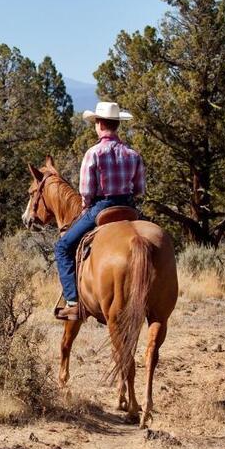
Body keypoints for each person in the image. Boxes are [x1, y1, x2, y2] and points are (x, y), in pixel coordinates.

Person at [55, 101, 146, 321]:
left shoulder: (93, 153)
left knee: (63, 247)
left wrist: (86, 205)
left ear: (100, 124)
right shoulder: (133, 154)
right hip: (129, 208)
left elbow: (86, 191)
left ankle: (73, 302)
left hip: (101, 207)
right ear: (117, 124)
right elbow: (140, 190)